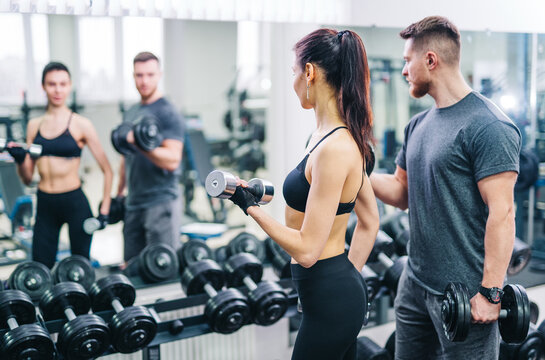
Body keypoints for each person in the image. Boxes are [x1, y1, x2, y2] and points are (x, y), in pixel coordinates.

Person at [370, 16, 521, 359]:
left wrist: (491, 293)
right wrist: (356, 176)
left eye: (408, 61)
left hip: (466, 294)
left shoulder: (488, 125)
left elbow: (503, 213)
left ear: (431, 60)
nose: (405, 71)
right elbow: (400, 192)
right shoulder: (417, 126)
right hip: (414, 283)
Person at [227, 29, 379, 360]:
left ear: (309, 72)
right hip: (329, 292)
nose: (293, 81)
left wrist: (249, 207)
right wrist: (341, 279)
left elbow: (309, 251)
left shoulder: (335, 148)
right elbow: (370, 221)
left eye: (294, 72)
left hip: (331, 298)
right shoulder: (329, 138)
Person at [11, 61, 113, 268]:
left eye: (63, 84)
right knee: (41, 268)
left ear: (70, 86)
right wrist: (20, 159)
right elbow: (28, 177)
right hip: (46, 202)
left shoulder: (81, 124)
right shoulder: (34, 126)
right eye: (52, 84)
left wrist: (105, 209)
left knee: (79, 268)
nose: (57, 90)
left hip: (74, 201)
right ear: (43, 87)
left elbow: (107, 170)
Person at [116, 51, 185, 262]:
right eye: (139, 75)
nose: (144, 81)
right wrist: (119, 193)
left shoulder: (168, 112)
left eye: (149, 74)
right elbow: (126, 157)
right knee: (132, 268)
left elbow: (173, 159)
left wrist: (138, 143)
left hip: (160, 202)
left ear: (159, 75)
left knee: (162, 268)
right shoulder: (132, 111)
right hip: (134, 203)